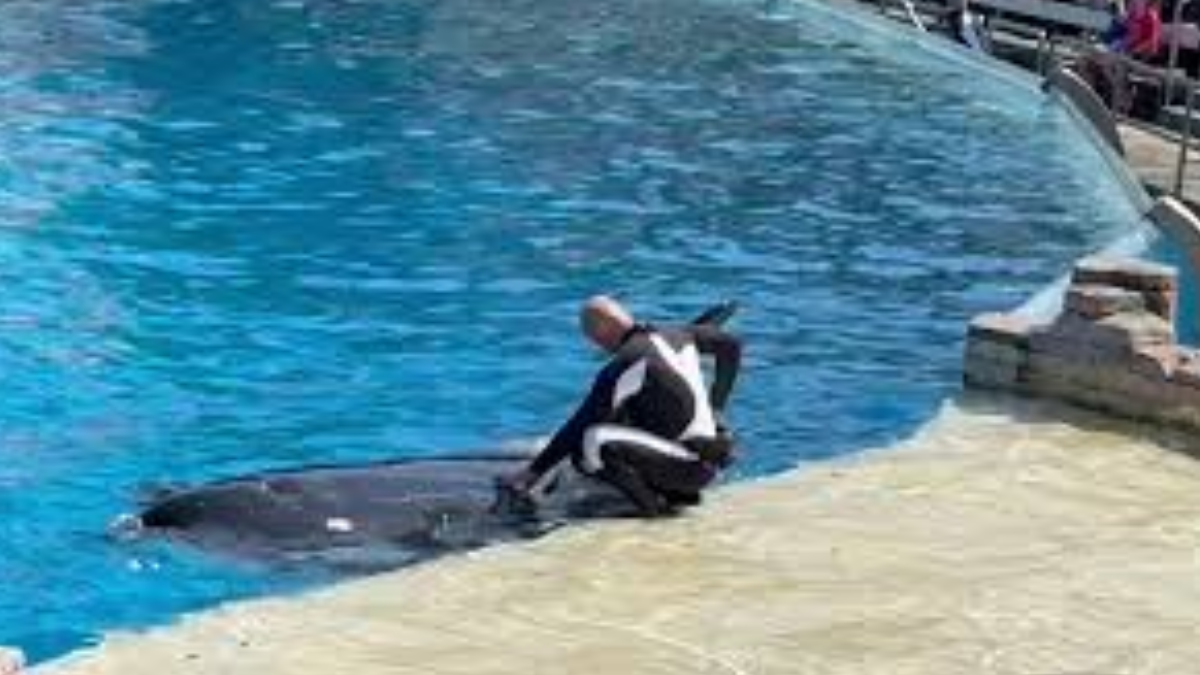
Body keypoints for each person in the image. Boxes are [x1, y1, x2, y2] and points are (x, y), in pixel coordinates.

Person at [497, 296, 742, 517]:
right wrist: (716, 407)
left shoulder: (626, 363)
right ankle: (678, 494)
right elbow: (731, 346)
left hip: (688, 468)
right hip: (711, 458)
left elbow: (582, 423)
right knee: (625, 416)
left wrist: (532, 474)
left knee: (591, 443)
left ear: (599, 335)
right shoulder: (679, 333)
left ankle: (653, 509)